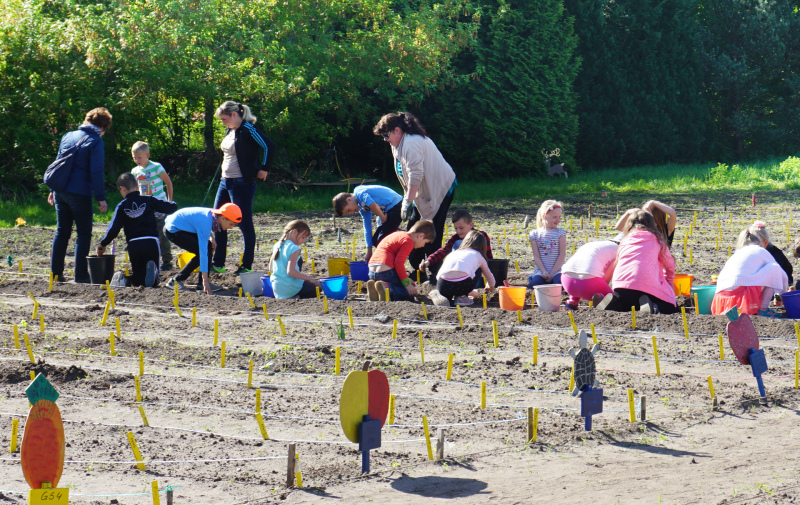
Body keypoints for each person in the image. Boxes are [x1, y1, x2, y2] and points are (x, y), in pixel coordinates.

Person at [373, 112, 457, 278]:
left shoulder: (411, 143)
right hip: (421, 191)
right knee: (414, 226)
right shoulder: (397, 144)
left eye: (386, 135)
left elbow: (415, 175)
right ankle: (418, 270)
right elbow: (405, 174)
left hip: (440, 188)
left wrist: (407, 201)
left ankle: (435, 273)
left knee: (432, 229)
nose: (385, 139)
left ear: (397, 130)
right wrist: (408, 198)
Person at [211, 101, 276, 275]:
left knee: (244, 223)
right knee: (217, 221)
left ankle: (246, 265)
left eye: (224, 119)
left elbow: (269, 146)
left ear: (234, 115)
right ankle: (218, 264)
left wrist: (264, 168)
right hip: (225, 182)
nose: (223, 123)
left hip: (242, 183)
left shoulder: (248, 129)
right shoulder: (230, 130)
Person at [48, 107, 112, 283]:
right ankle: (81, 275)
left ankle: (56, 274)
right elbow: (96, 172)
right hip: (80, 193)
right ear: (103, 127)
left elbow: (58, 164)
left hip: (61, 191)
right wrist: (101, 198)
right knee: (83, 233)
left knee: (62, 232)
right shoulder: (95, 141)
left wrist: (52, 190)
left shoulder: (68, 136)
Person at [95, 173, 177, 288]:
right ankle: (154, 274)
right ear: (138, 186)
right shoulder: (148, 200)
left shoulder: (122, 206)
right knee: (154, 281)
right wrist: (172, 202)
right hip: (151, 241)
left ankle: (124, 280)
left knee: (138, 278)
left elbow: (113, 229)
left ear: (122, 189)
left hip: (134, 244)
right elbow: (171, 207)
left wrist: (103, 244)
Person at [596, 209, 678, 314]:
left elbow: (615, 264)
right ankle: (653, 307)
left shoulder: (624, 241)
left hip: (620, 286)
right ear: (652, 224)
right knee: (670, 306)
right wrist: (669, 285)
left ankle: (615, 304)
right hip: (645, 286)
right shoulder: (657, 240)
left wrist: (605, 286)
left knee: (627, 305)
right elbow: (670, 265)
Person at [711, 225, 788, 318]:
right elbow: (782, 275)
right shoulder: (760, 250)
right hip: (740, 295)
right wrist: (781, 296)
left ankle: (756, 308)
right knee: (774, 268)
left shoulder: (738, 253)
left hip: (721, 299)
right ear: (762, 243)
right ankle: (763, 309)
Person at [164, 203, 242, 294]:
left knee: (208, 248)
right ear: (223, 218)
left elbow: (199, 224)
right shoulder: (206, 221)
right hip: (174, 230)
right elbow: (203, 253)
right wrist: (206, 282)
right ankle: (176, 281)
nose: (231, 227)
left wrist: (211, 238)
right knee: (204, 252)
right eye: (231, 224)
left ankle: (201, 284)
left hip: (182, 226)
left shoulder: (213, 216)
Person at [131, 141, 175, 271]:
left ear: (147, 155)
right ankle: (150, 259)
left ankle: (167, 261)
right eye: (134, 157)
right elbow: (136, 190)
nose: (137, 160)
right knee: (148, 233)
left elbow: (168, 183)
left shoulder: (156, 167)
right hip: (145, 208)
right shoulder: (135, 171)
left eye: (139, 157)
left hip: (159, 206)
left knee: (162, 233)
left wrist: (169, 201)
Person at [365, 220, 435, 302]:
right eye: (425, 242)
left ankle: (376, 289)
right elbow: (398, 263)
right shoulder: (408, 241)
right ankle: (388, 288)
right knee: (408, 294)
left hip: (372, 271)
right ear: (420, 236)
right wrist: (407, 284)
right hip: (385, 271)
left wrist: (406, 279)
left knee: (405, 283)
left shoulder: (398, 234)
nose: (423, 245)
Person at [332, 185, 403, 261]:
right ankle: (387, 261)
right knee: (375, 240)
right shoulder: (362, 208)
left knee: (382, 240)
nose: (351, 213)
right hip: (388, 210)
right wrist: (369, 252)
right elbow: (367, 226)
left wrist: (383, 218)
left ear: (348, 200)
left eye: (348, 210)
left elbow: (373, 205)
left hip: (396, 204)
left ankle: (396, 257)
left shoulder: (359, 192)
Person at [428, 231, 496, 307]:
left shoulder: (454, 253)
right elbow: (488, 274)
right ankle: (461, 297)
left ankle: (442, 296)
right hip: (462, 286)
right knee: (478, 269)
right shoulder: (478, 255)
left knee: (450, 288)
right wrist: (491, 285)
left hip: (442, 284)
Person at [561, 239, 619, 311]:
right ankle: (602, 300)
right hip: (589, 285)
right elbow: (608, 276)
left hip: (567, 282)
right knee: (616, 302)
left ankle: (572, 302)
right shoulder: (618, 250)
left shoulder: (593, 244)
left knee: (580, 271)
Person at [269, 220, 321, 299]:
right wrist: (311, 279)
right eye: (303, 237)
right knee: (317, 287)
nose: (303, 241)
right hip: (290, 289)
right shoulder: (294, 248)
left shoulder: (277, 245)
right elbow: (290, 271)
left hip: (277, 290)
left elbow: (270, 268)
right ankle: (296, 296)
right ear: (294, 232)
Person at [527, 200, 567, 288]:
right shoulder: (535, 234)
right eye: (555, 217)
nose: (558, 220)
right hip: (541, 271)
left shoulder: (560, 233)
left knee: (559, 285)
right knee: (533, 285)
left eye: (559, 217)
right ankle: (534, 278)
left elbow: (562, 254)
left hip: (557, 270)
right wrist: (544, 272)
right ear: (544, 216)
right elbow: (536, 256)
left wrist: (552, 273)